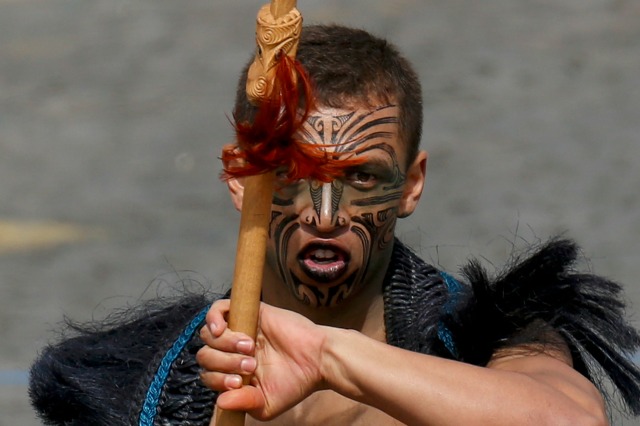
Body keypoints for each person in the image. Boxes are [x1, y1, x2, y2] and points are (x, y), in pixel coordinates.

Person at [29, 25, 640, 426]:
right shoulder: (143, 386)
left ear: (414, 183)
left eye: (363, 178)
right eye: (290, 177)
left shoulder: (489, 337)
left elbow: (571, 423)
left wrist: (328, 357)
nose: (326, 217)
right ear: (239, 178)